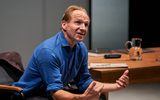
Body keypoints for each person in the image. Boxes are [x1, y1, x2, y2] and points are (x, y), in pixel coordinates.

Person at [11, 5, 129, 100]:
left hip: (48, 93)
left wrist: (117, 86)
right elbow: (56, 94)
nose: (83, 28)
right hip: (28, 95)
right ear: (64, 25)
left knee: (100, 96)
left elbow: (84, 81)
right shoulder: (48, 51)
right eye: (78, 22)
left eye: (86, 24)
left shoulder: (81, 48)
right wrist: (82, 98)